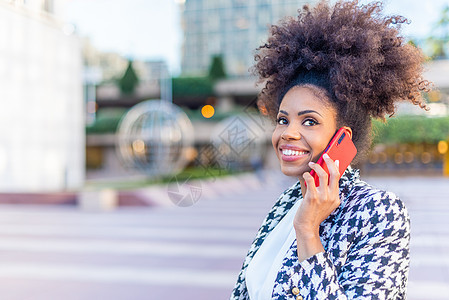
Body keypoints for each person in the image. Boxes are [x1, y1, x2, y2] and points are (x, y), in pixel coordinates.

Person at [230, 1, 431, 299]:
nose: (288, 133)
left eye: (309, 121)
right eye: (282, 120)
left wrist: (309, 232)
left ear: (342, 138)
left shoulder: (378, 211)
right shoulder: (287, 203)